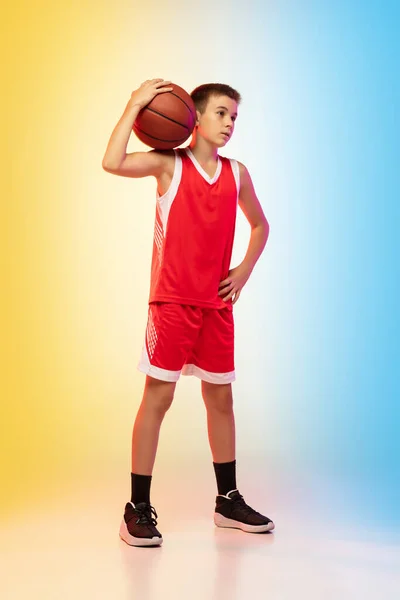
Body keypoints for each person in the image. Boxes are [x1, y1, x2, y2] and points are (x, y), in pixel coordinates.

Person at [102, 79, 275, 547]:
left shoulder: (237, 173)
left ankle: (227, 500)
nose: (229, 124)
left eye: (234, 117)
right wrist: (135, 102)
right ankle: (136, 508)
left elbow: (260, 225)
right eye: (221, 113)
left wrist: (243, 270)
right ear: (193, 118)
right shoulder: (168, 165)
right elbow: (111, 161)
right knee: (158, 399)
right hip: (172, 303)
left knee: (221, 400)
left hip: (216, 307)